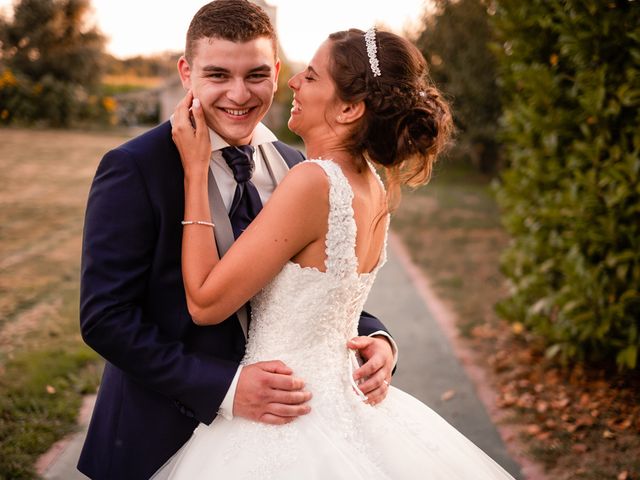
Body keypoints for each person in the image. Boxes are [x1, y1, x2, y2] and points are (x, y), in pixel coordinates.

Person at [165, 23, 515, 479]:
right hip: (342, 401)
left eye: (310, 76)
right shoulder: (371, 184)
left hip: (286, 413)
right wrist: (383, 342)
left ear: (349, 108)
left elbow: (207, 303)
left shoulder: (312, 182)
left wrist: (195, 172)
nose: (292, 82)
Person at [78, 2, 396, 479]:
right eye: (218, 74)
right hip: (158, 434)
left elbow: (308, 283)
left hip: (288, 438)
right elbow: (105, 318)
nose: (239, 94)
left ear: (277, 73)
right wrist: (224, 387)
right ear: (187, 72)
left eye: (256, 75)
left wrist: (377, 336)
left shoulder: (298, 167)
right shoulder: (135, 168)